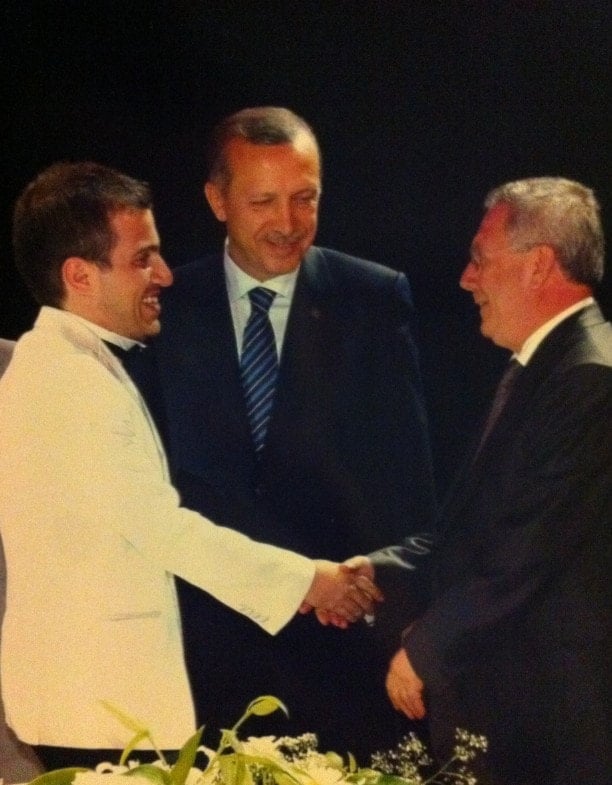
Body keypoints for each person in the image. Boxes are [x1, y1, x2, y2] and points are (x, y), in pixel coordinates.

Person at [0, 161, 382, 771]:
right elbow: (163, 530)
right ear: (79, 275)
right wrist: (308, 581)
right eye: (142, 259)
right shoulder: (70, 381)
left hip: (96, 702)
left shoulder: (72, 366)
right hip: (99, 708)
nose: (165, 275)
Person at [131, 106, 436, 762]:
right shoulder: (164, 309)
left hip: (344, 655)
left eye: (305, 198)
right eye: (263, 201)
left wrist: (404, 619)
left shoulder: (373, 298)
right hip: (202, 659)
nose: (289, 223)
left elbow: (408, 489)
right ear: (217, 200)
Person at [379, 177, 611, 785]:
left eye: (480, 259)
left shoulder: (590, 378)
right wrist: (365, 572)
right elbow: (470, 530)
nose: (466, 279)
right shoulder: (546, 368)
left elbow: (523, 554)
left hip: (559, 733)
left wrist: (423, 649)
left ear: (538, 265)